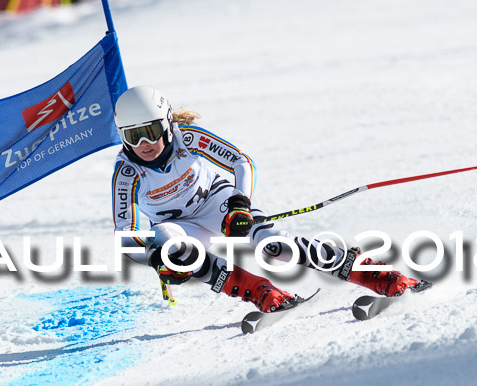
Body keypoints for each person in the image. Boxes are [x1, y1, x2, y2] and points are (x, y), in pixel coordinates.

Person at [111, 86, 422, 313]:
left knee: (272, 245)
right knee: (169, 245)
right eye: (132, 135)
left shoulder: (187, 138)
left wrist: (240, 204)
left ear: (167, 124)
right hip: (178, 225)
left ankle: (375, 274)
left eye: (151, 131)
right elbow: (125, 237)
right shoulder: (126, 172)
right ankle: (260, 292)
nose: (144, 144)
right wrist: (155, 259)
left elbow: (240, 162)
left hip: (214, 201)